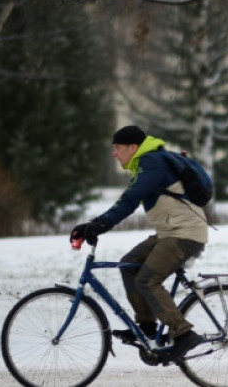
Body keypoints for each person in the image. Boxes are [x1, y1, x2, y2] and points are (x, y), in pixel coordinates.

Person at [69, 125, 208, 363]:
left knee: (147, 279)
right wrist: (96, 224)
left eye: (118, 148)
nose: (114, 153)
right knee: (129, 264)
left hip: (185, 234)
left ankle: (183, 333)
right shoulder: (147, 163)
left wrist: (98, 224)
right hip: (170, 232)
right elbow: (130, 200)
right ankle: (147, 327)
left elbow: (129, 200)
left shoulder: (152, 163)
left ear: (133, 147)